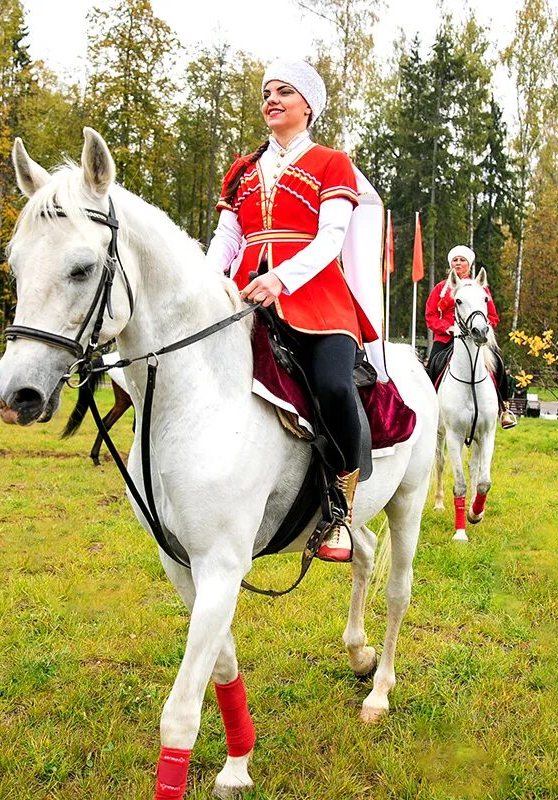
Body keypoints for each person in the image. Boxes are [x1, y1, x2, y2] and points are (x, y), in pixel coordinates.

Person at [204, 59, 377, 563]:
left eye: (283, 92)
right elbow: (228, 237)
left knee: (333, 385)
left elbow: (331, 238)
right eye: (265, 93)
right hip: (244, 292)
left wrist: (282, 277)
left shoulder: (332, 163)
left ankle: (339, 508)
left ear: (308, 106)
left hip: (318, 297)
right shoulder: (241, 170)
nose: (271, 100)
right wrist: (206, 283)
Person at [425, 245, 517, 430]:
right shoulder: (440, 288)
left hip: (474, 338)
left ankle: (504, 408)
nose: (458, 263)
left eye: (462, 260)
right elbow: (430, 315)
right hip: (446, 338)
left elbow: (492, 316)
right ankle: (428, 407)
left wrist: (482, 329)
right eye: (455, 260)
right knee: (432, 365)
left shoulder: (480, 288)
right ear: (450, 263)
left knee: (498, 362)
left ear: (469, 264)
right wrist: (447, 328)